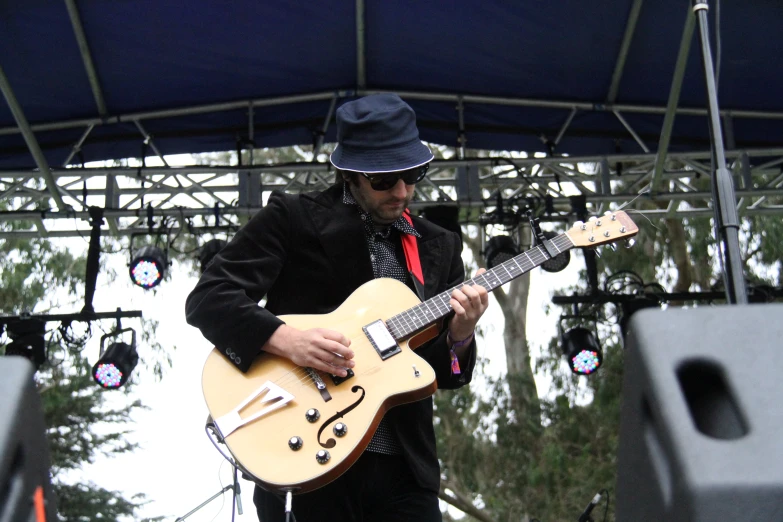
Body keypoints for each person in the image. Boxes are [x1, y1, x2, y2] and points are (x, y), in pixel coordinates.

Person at [185, 93, 489, 522]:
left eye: (413, 175)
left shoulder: (439, 245)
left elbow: (446, 374)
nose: (402, 192)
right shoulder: (293, 217)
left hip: (404, 470)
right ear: (350, 174)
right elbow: (209, 297)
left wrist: (462, 334)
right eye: (384, 181)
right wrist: (288, 341)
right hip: (306, 455)